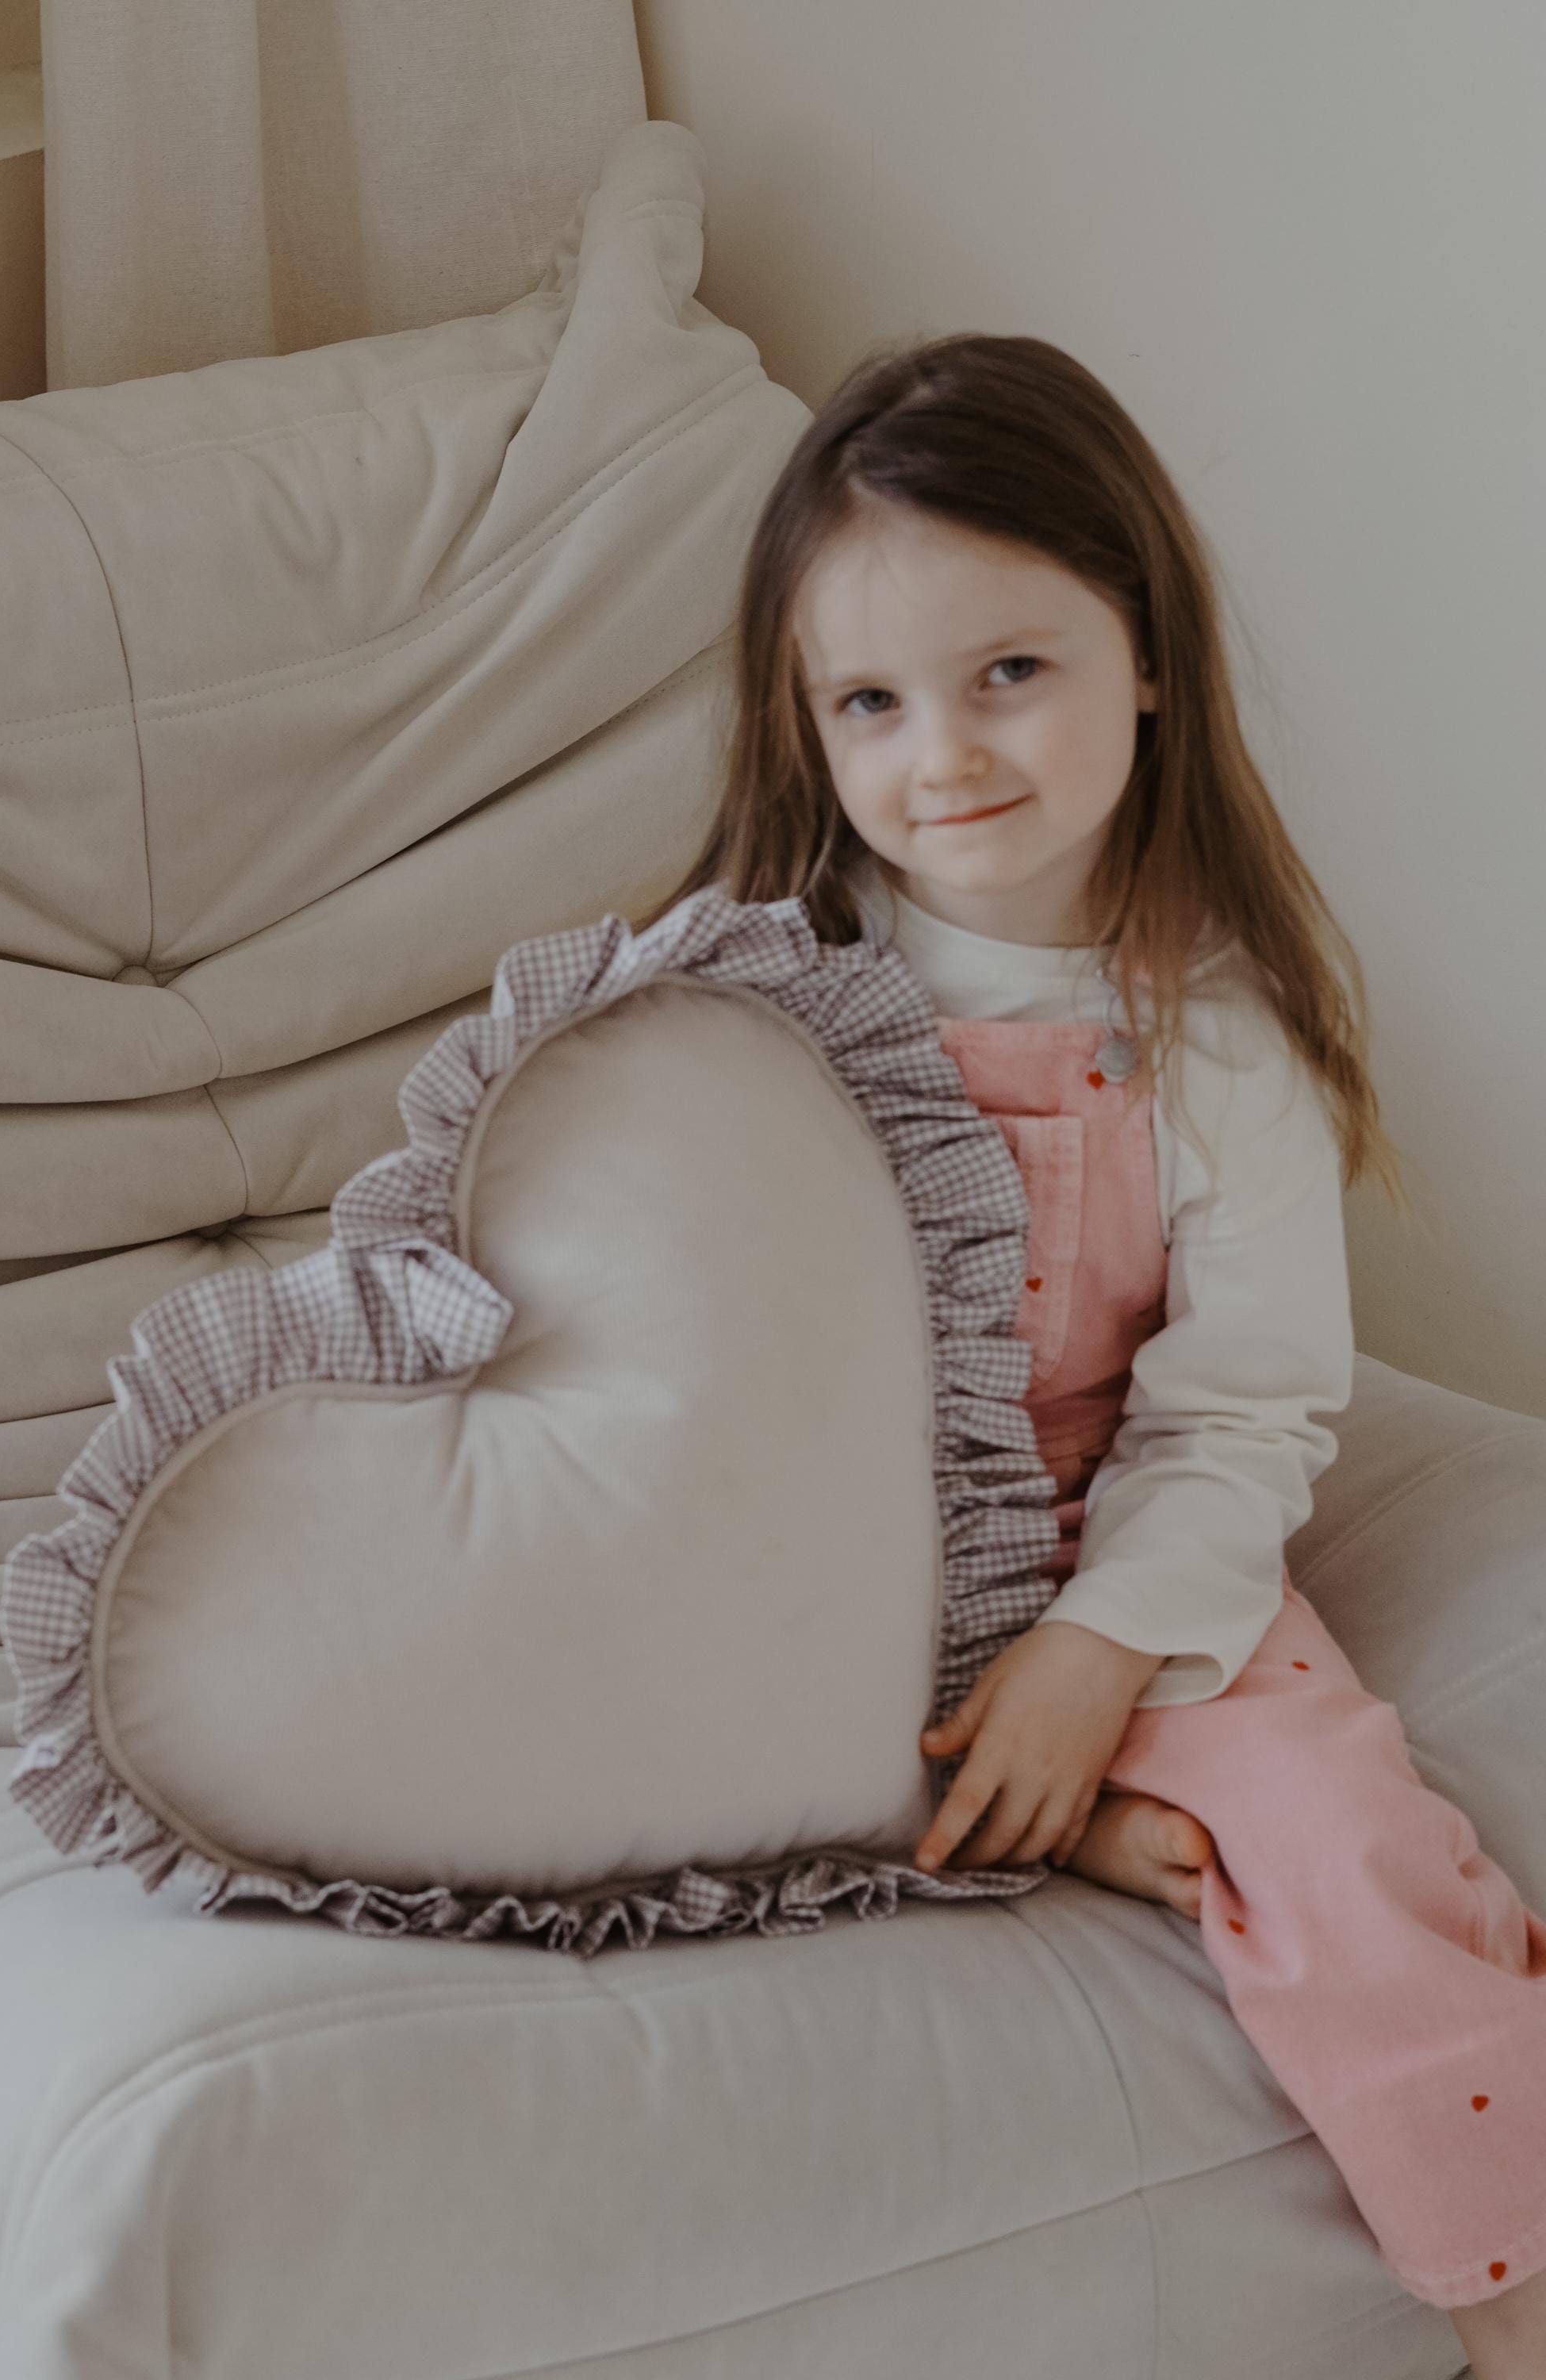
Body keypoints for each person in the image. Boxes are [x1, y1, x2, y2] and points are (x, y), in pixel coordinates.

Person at [639, 333, 1546, 2370]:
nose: (940, 751)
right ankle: (1087, 1837)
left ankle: (1513, 2311)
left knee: (1358, 1841)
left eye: (1007, 673)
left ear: (1144, 651)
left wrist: (1100, 1644)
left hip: (1113, 1528)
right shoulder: (773, 969)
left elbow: (1241, 1409)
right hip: (816, 1531)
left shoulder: (1214, 1020)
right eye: (868, 701)